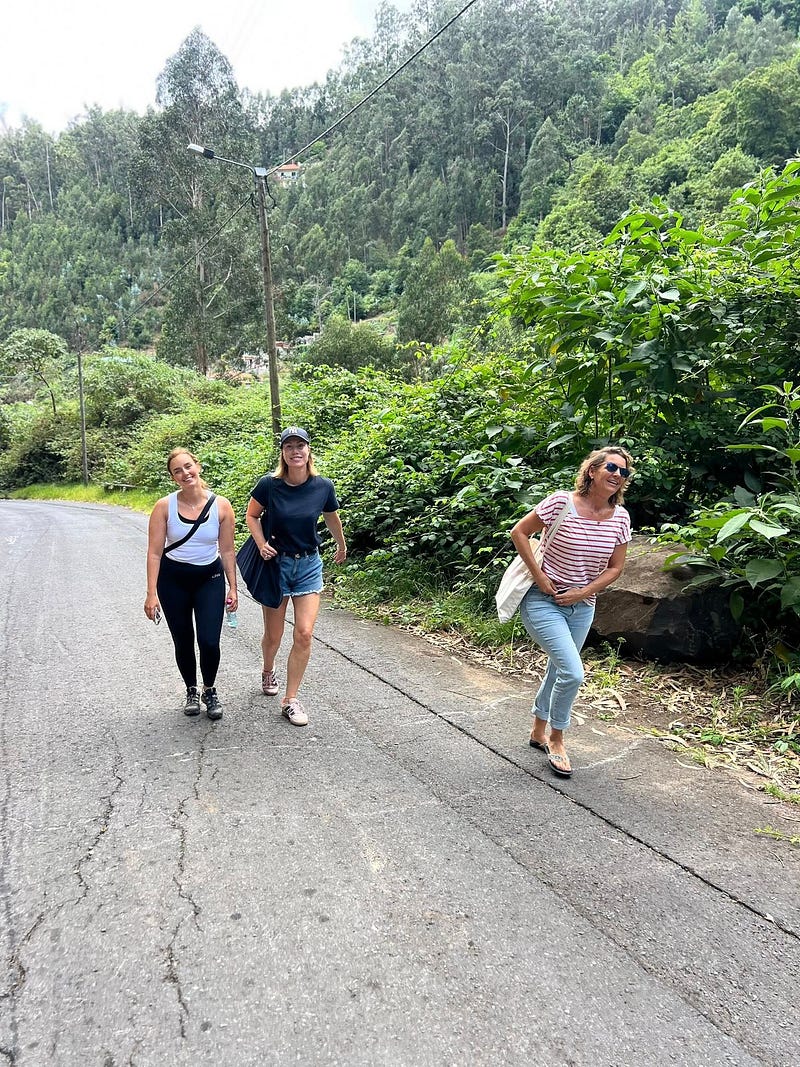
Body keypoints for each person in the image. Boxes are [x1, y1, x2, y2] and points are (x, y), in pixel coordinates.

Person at [510, 448, 634, 778]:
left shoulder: (621, 518)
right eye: (611, 467)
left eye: (623, 472)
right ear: (592, 471)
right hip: (542, 600)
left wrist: (583, 592)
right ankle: (557, 739)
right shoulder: (561, 502)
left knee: (559, 668)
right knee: (573, 672)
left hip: (582, 606)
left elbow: (616, 568)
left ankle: (538, 730)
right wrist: (539, 576)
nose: (617, 475)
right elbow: (519, 532)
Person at [245, 426, 346, 727]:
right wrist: (261, 543)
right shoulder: (269, 485)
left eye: (300, 445)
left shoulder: (322, 486)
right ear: (283, 453)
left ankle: (290, 699)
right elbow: (252, 515)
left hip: (308, 565)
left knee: (303, 633)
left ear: (308, 450)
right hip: (276, 566)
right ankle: (268, 669)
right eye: (288, 446)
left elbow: (331, 516)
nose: (295, 451)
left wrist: (341, 545)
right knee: (273, 635)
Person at [144, 448, 238, 720]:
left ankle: (210, 689)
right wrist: (151, 594)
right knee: (183, 639)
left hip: (209, 578)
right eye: (178, 471)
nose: (185, 473)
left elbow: (227, 550)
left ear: (198, 466)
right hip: (173, 580)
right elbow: (154, 552)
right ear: (173, 478)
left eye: (188, 466)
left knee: (209, 641)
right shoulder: (164, 507)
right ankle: (191, 690)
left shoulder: (222, 506)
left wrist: (233, 587)